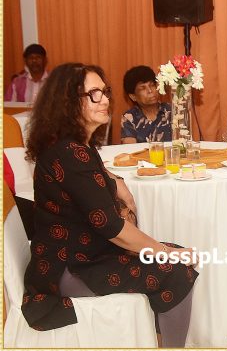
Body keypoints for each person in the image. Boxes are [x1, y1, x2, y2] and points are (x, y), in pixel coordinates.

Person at [23, 63, 197, 347]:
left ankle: (158, 340)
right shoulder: (69, 152)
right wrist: (165, 252)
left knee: (173, 257)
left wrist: (116, 181)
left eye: (105, 92)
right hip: (70, 269)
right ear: (68, 101)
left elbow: (93, 178)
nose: (104, 99)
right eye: (94, 94)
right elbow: (114, 229)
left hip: (83, 256)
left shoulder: (74, 146)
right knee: (177, 271)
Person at [121, 65, 172, 144]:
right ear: (133, 96)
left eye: (152, 85)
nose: (150, 91)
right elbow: (130, 148)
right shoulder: (129, 117)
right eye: (143, 88)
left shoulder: (170, 110)